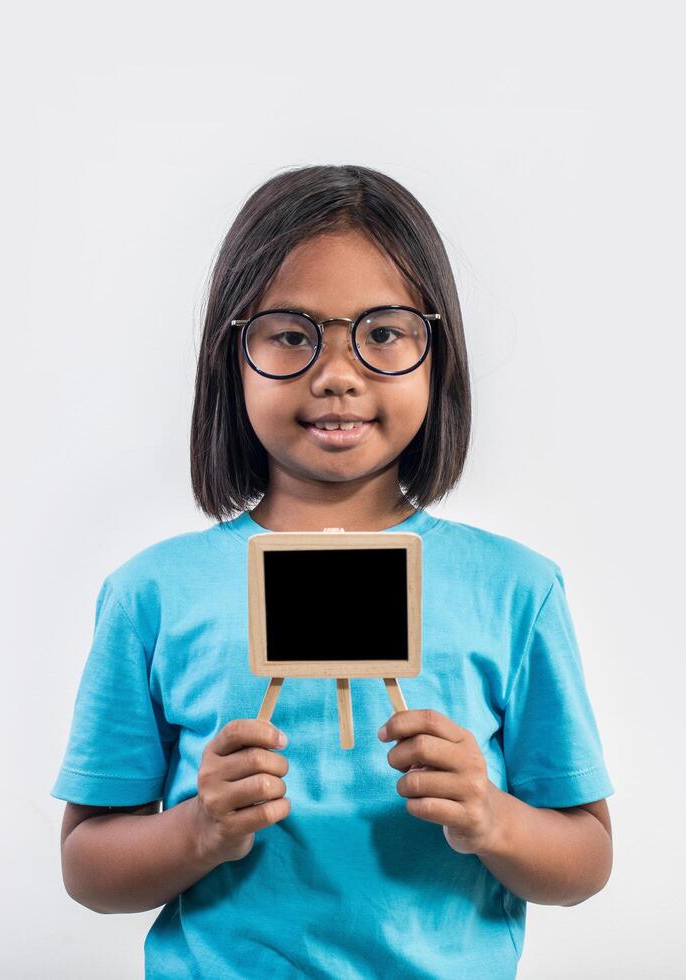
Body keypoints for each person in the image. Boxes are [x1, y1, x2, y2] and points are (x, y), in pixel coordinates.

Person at [51, 164, 615, 979]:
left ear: (437, 354)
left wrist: (489, 817)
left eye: (383, 333)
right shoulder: (152, 593)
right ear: (230, 357)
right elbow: (88, 867)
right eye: (290, 333)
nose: (337, 372)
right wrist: (199, 830)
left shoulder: (515, 590)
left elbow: (585, 858)